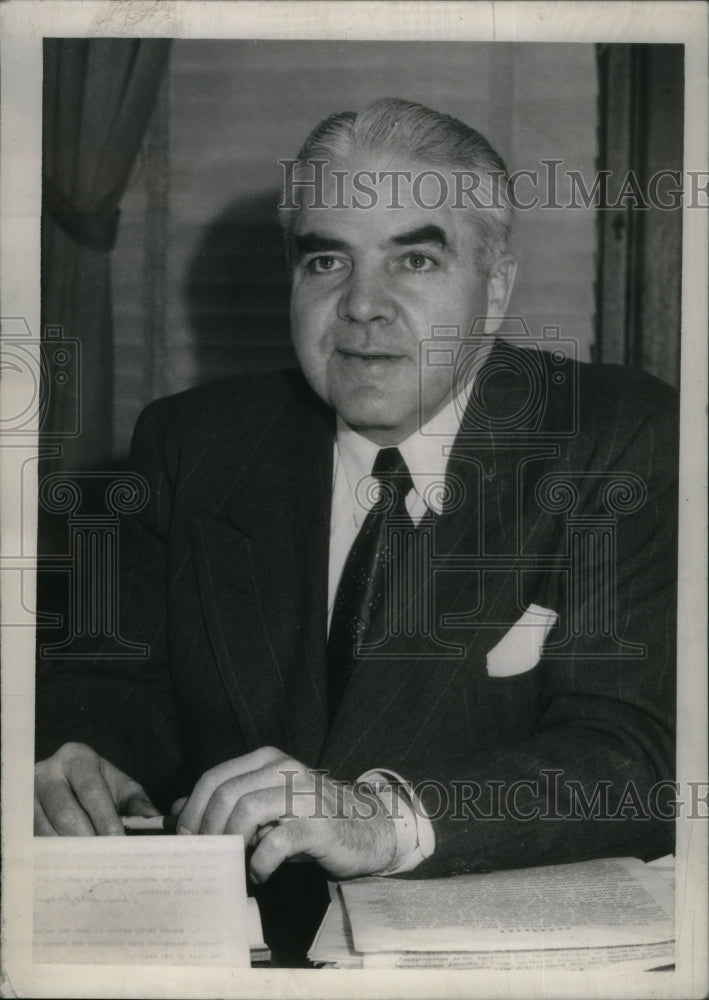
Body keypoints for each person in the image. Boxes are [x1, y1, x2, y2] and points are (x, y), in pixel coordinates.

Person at [35, 98, 677, 962]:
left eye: (414, 257)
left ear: (493, 290)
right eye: (326, 260)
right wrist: (72, 757)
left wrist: (381, 815)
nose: (361, 306)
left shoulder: (615, 437)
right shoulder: (191, 441)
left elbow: (634, 757)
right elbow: (115, 689)